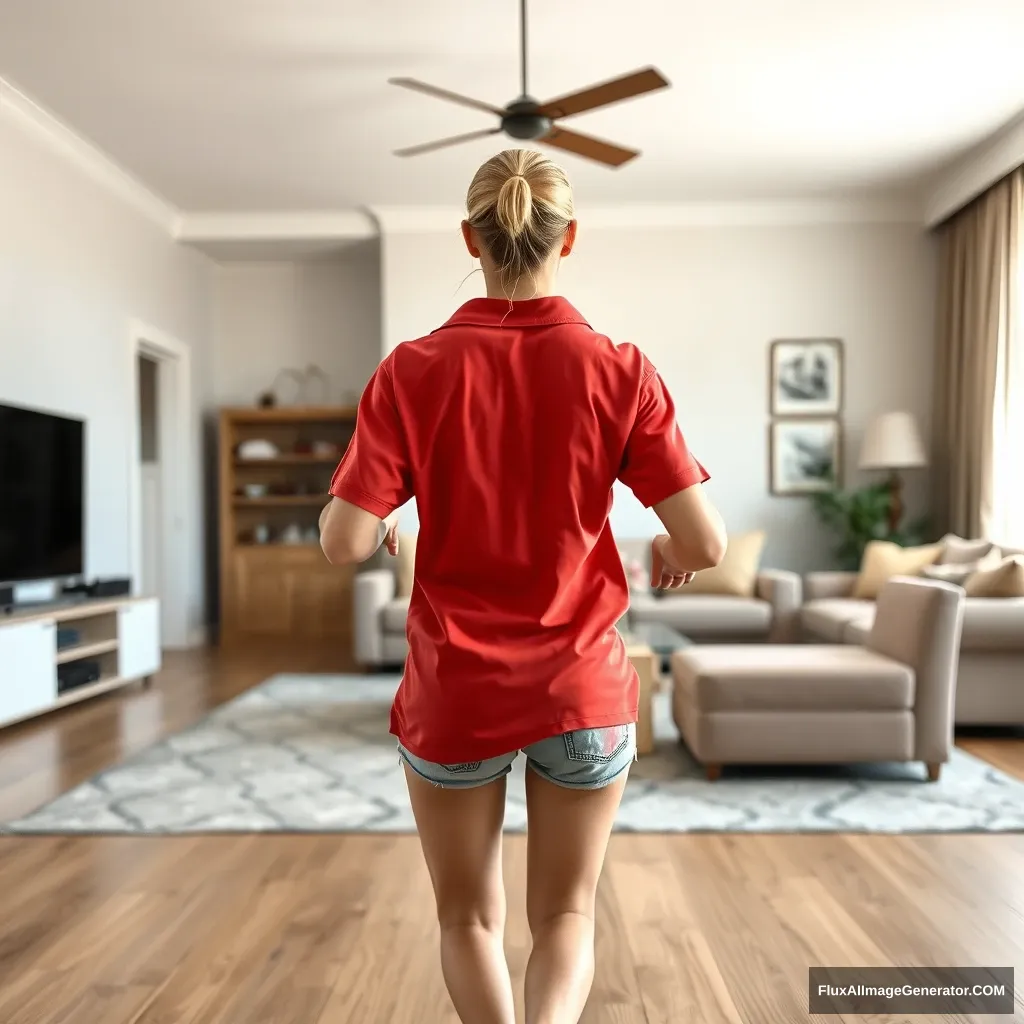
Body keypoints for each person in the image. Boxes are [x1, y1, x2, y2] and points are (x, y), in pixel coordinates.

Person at [318, 148, 727, 1024]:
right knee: (566, 915)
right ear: (568, 238)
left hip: (455, 692)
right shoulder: (620, 369)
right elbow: (706, 539)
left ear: (470, 236)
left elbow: (343, 543)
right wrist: (668, 545)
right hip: (582, 691)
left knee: (467, 918)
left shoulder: (412, 369)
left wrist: (388, 519)